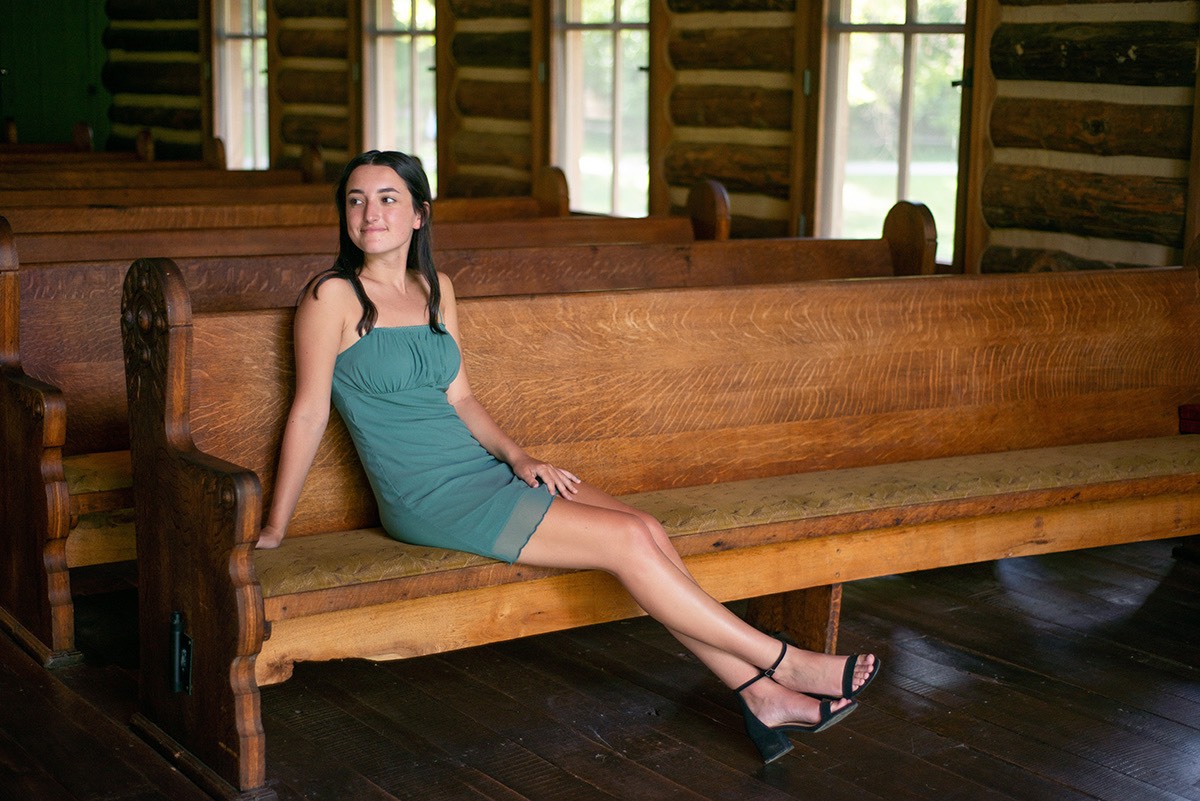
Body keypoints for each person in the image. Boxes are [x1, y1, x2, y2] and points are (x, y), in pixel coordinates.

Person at [257, 150, 880, 764]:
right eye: (356, 200)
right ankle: (783, 661)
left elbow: (462, 398)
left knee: (646, 530)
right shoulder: (331, 297)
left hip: (483, 472)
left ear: (419, 213)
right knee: (628, 544)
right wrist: (274, 529)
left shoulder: (436, 288)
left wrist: (520, 457)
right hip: (425, 496)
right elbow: (309, 412)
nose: (370, 213)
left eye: (387, 198)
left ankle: (761, 695)